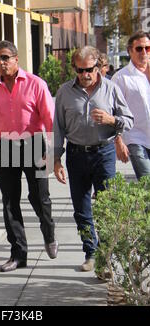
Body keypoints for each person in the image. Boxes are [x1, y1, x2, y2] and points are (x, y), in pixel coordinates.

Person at [54, 46, 133, 272]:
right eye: (79, 70)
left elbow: (129, 119)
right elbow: (58, 127)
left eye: (89, 69)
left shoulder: (111, 89)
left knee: (107, 206)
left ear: (98, 67)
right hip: (76, 154)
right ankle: (91, 252)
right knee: (81, 209)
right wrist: (56, 160)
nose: (84, 75)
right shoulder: (64, 92)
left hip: (104, 153)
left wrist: (111, 119)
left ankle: (106, 257)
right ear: (74, 69)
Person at [0, 40, 58, 272]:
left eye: (5, 57)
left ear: (16, 59)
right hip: (6, 147)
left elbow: (50, 120)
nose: (1, 63)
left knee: (39, 198)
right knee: (9, 202)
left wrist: (54, 154)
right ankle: (18, 254)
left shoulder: (36, 84)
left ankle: (49, 233)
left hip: (34, 144)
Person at [112, 30, 150, 180]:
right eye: (139, 48)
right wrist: (118, 140)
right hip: (136, 138)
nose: (144, 52)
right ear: (130, 50)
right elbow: (114, 111)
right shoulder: (121, 78)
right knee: (147, 182)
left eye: (147, 48)